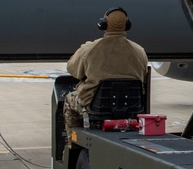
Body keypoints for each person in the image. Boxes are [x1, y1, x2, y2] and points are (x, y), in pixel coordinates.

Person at [63, 8, 149, 146]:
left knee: (69, 101)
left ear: (102, 24)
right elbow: (143, 75)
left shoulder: (89, 49)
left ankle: (72, 143)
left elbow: (72, 70)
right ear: (127, 25)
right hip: (132, 106)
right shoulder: (140, 51)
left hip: (94, 105)